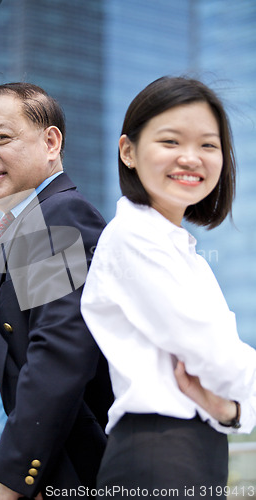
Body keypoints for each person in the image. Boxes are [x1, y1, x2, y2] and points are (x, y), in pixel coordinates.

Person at [0, 82, 114, 500]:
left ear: (51, 142)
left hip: (21, 479)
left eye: (2, 138)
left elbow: (59, 353)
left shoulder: (56, 213)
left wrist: (15, 480)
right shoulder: (15, 230)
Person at [81, 76, 256, 498]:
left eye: (208, 145)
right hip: (156, 454)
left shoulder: (188, 257)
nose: (191, 158)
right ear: (129, 151)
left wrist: (232, 411)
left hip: (196, 450)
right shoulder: (132, 238)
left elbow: (221, 364)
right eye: (171, 141)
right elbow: (210, 351)